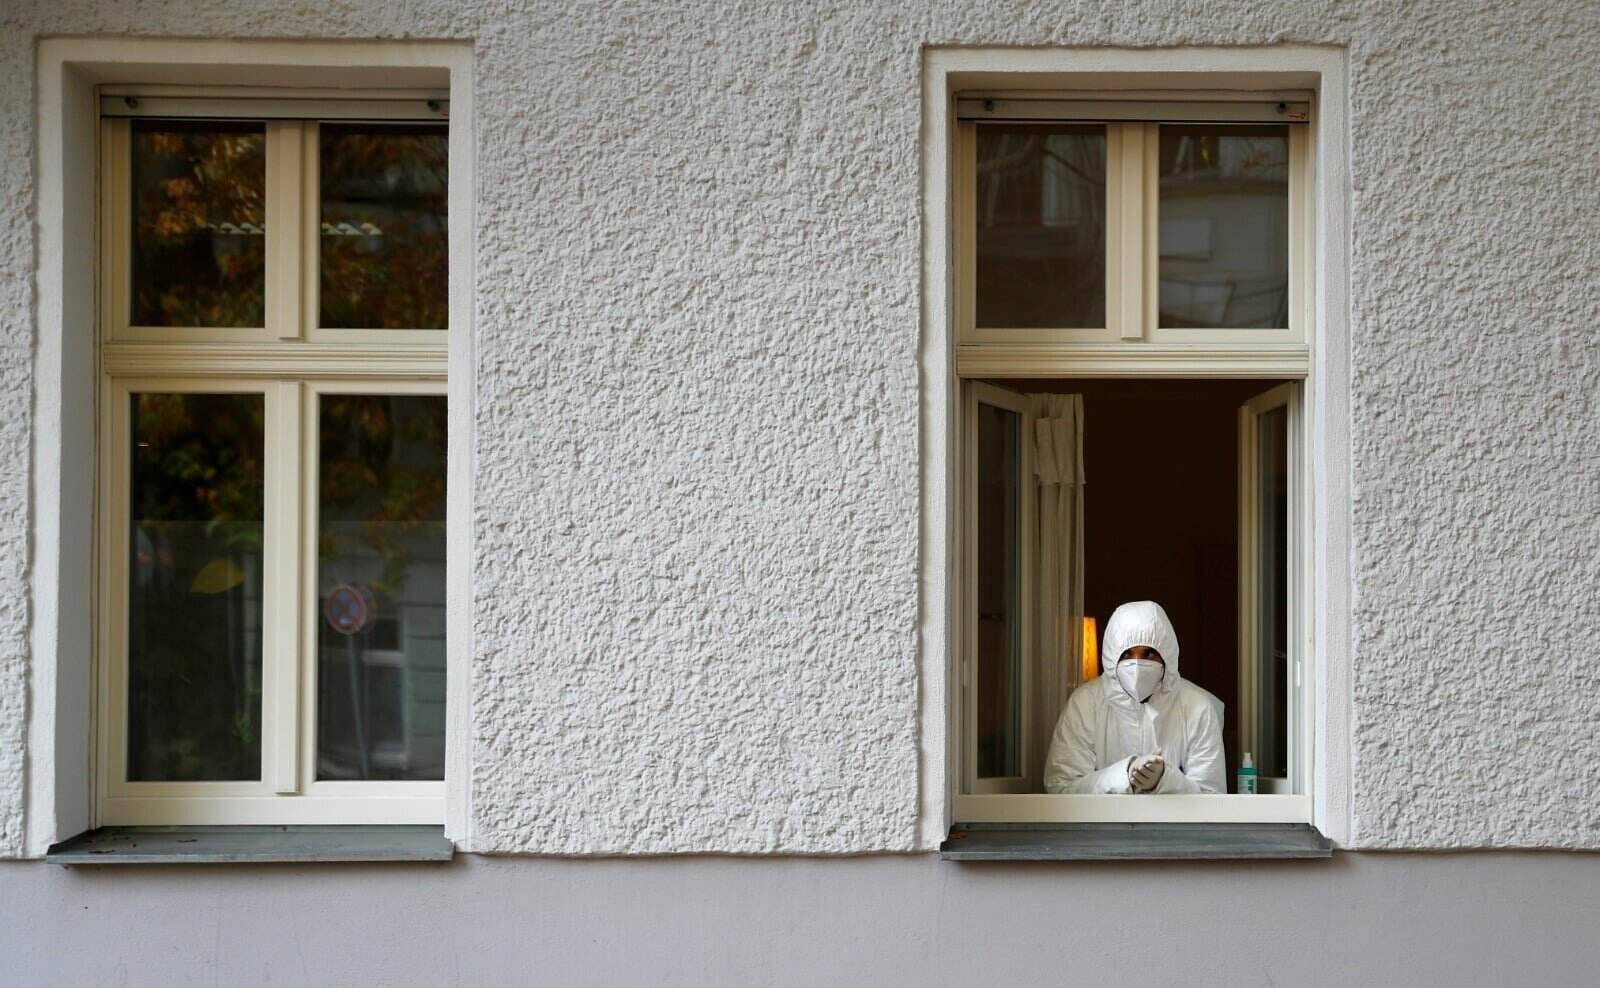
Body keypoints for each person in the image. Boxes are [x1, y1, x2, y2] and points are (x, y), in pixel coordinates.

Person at [1043, 600, 1226, 794]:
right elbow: (1062, 786)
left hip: (1173, 817)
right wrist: (1124, 774)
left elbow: (1211, 795)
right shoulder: (1086, 704)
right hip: (1104, 817)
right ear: (1112, 657)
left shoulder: (1197, 707)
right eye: (1127, 654)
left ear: (1167, 655)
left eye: (1149, 653)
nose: (1137, 665)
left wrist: (1165, 780)